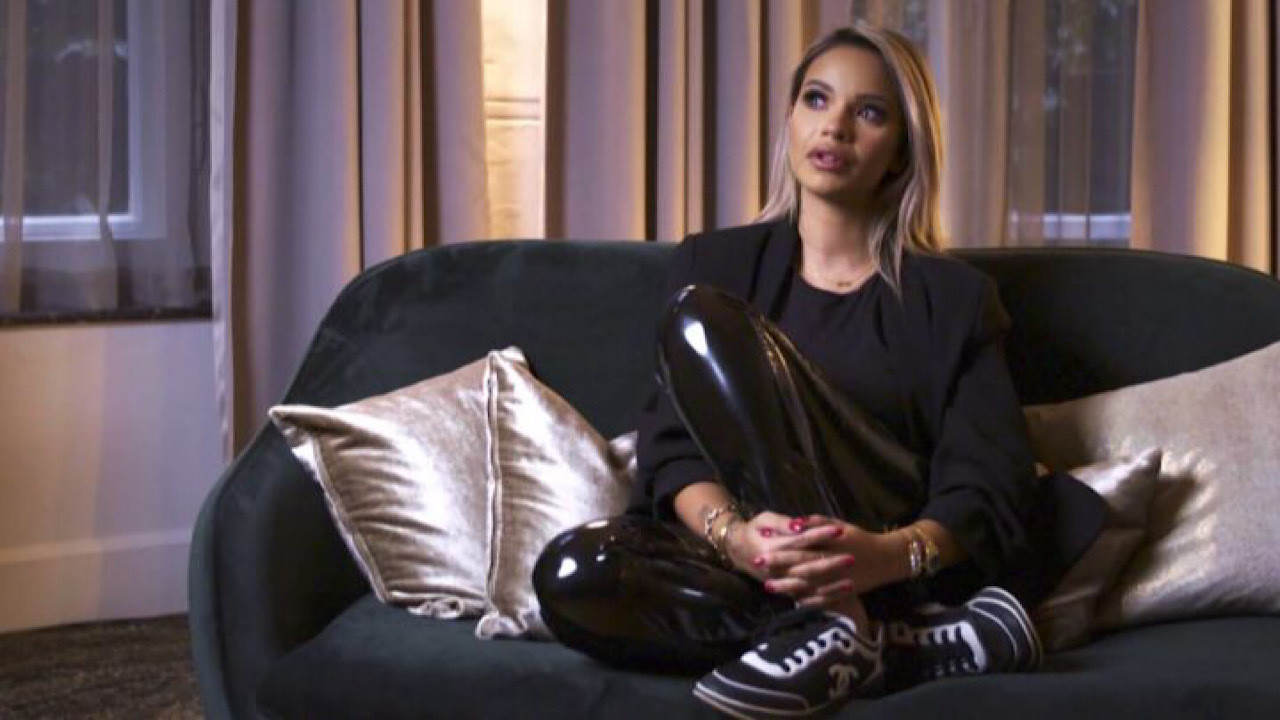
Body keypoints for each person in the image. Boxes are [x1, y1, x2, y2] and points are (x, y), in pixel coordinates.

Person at [532, 22, 1105, 719]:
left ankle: (846, 619)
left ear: (901, 151)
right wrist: (739, 542)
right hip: (755, 564)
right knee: (574, 573)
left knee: (700, 320)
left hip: (885, 552)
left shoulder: (951, 298)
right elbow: (673, 449)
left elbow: (987, 477)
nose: (835, 127)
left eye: (870, 112)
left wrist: (886, 557)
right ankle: (884, 642)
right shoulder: (716, 263)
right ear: (791, 119)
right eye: (816, 99)